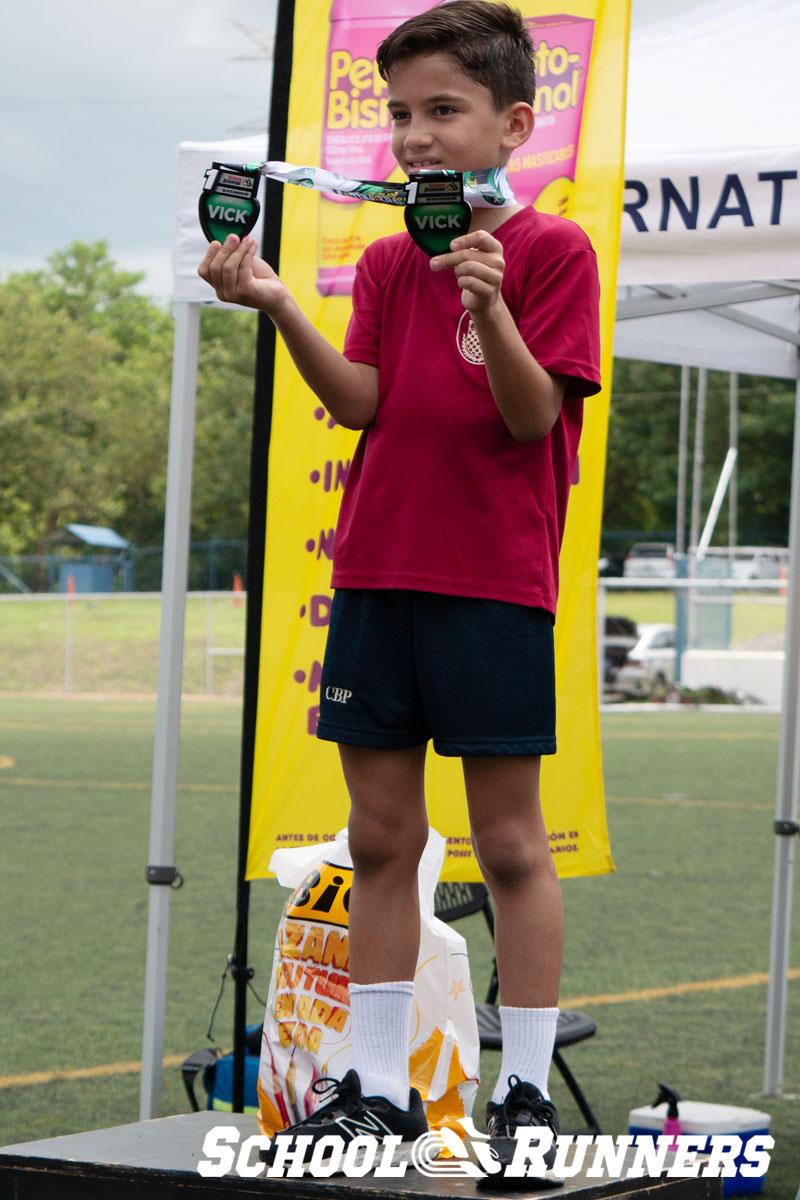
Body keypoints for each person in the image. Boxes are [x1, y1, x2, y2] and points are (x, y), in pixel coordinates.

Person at [198, 0, 600, 1180]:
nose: (416, 134)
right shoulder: (381, 257)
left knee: (511, 846)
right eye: (399, 112)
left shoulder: (548, 253)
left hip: (492, 581)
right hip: (375, 573)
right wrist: (277, 306)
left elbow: (531, 417)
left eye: (443, 110)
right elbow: (360, 405)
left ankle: (521, 1089)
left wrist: (484, 299)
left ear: (511, 124)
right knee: (379, 838)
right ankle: (374, 1093)